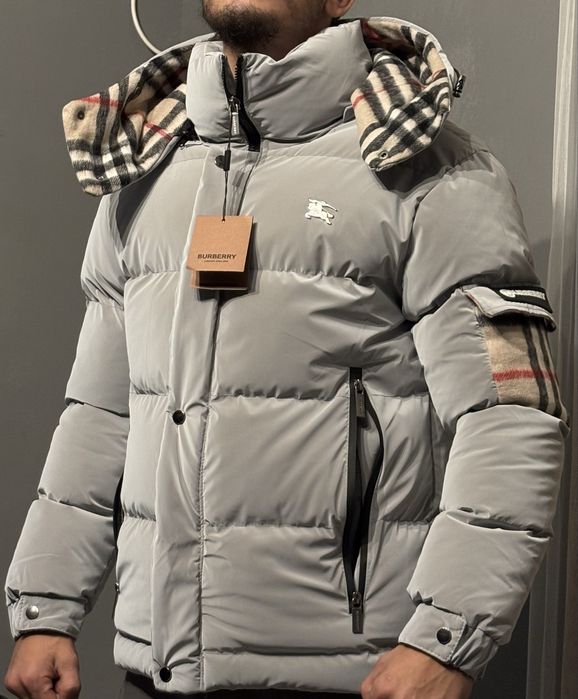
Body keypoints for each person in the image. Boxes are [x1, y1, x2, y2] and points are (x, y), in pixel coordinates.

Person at [3, 1, 568, 698]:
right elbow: (100, 413)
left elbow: (509, 415)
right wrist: (45, 605)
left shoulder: (435, 173)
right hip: (157, 671)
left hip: (352, 672)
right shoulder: (146, 172)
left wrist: (448, 640)